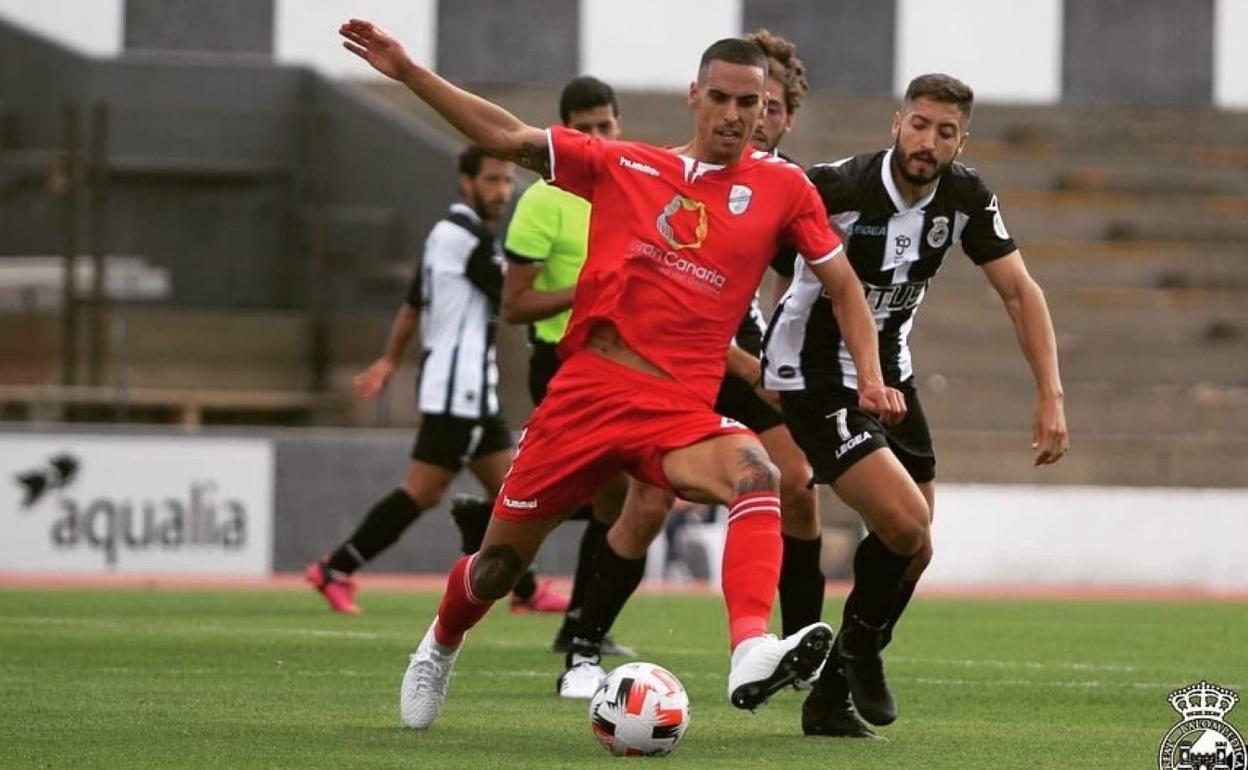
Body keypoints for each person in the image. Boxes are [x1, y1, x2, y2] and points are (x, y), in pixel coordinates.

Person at [337, 18, 906, 731]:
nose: (736, 115)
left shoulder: (783, 191)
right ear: (693, 96)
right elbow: (509, 136)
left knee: (758, 472)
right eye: (722, 99)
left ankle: (750, 649)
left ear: (767, 110)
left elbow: (846, 286)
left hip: (676, 408)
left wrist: (873, 377)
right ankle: (440, 644)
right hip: (586, 396)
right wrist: (411, 72)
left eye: (750, 104)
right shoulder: (625, 165)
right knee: (496, 571)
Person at [763, 73, 1070, 736]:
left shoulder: (964, 196)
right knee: (905, 525)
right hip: (815, 377)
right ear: (895, 122)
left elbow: (1020, 293)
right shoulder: (836, 188)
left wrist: (1050, 394)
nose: (928, 142)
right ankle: (861, 651)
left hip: (892, 378)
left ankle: (834, 690)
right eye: (920, 124)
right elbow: (759, 250)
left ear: (963, 140)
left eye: (945, 131)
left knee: (916, 548)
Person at [553, 29, 842, 706]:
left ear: (784, 116)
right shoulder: (684, 169)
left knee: (794, 481)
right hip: (684, 363)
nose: (751, 119)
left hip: (741, 364)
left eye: (766, 108)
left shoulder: (782, 187)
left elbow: (804, 285)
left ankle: (789, 644)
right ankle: (584, 644)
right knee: (646, 502)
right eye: (739, 102)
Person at [304, 145, 569, 616]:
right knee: (426, 491)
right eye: (492, 180)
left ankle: (525, 592)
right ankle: (335, 568)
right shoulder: (463, 236)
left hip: (470, 387)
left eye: (507, 181)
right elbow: (513, 295)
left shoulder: (449, 235)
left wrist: (389, 360)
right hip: (458, 387)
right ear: (465, 181)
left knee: (511, 488)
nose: (503, 191)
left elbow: (412, 305)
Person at [498, 75, 636, 658]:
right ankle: (579, 623)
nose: (598, 137)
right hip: (559, 363)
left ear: (618, 126)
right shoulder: (541, 201)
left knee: (618, 495)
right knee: (612, 493)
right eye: (585, 130)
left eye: (606, 126)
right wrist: (587, 291)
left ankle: (581, 624)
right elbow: (513, 305)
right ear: (564, 135)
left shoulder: (631, 184)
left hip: (619, 362)